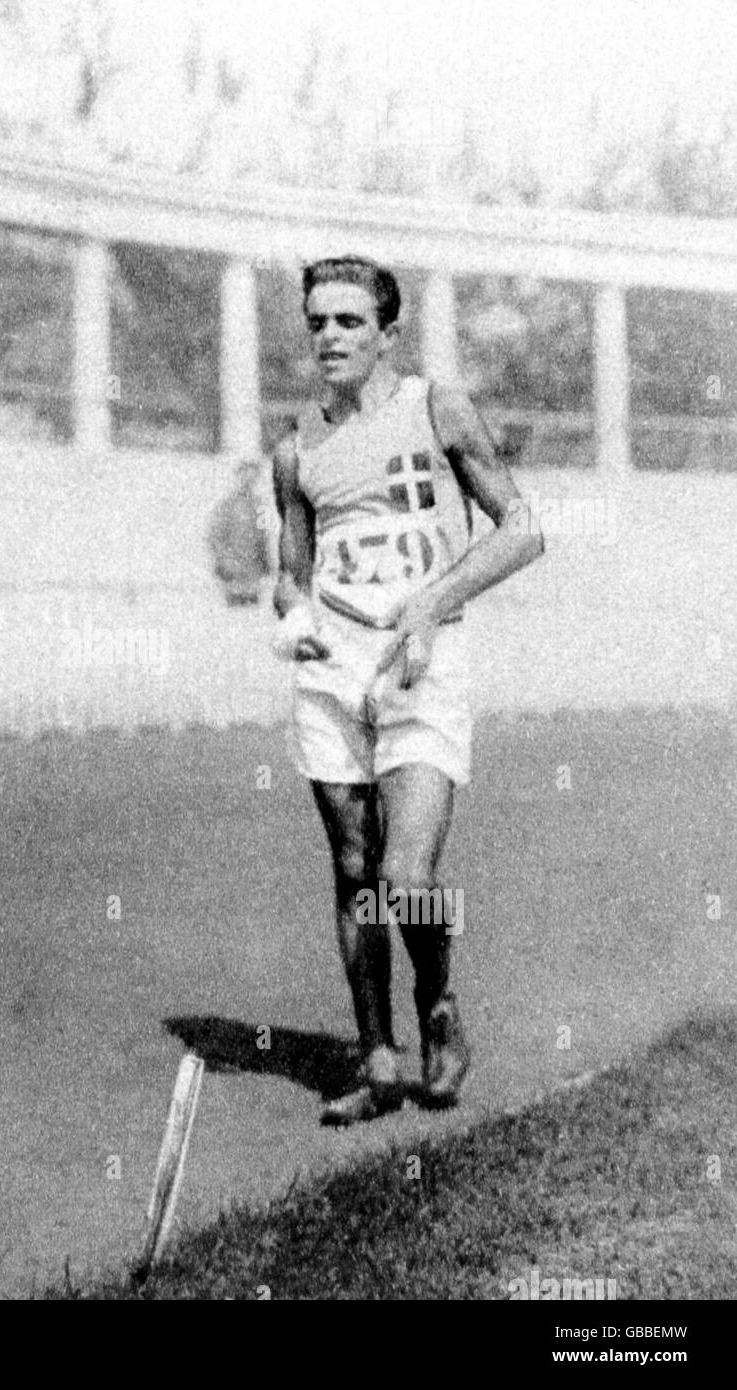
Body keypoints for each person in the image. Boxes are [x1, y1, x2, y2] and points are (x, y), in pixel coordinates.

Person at [270, 256, 544, 1124]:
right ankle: (378, 1059)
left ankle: (440, 1009)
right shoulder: (296, 448)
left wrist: (432, 602)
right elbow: (291, 575)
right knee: (353, 871)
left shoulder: (437, 408)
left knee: (405, 871)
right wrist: (294, 618)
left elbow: (523, 529)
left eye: (350, 322)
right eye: (318, 322)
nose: (330, 338)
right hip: (333, 669)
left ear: (389, 333)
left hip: (423, 660)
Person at [207, 458, 273, 605]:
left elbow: (264, 537)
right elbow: (215, 537)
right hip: (232, 572)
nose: (248, 483)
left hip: (252, 573)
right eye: (245, 477)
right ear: (238, 477)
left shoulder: (260, 507)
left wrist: (265, 564)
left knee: (251, 612)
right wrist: (224, 561)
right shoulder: (226, 506)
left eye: (253, 478)